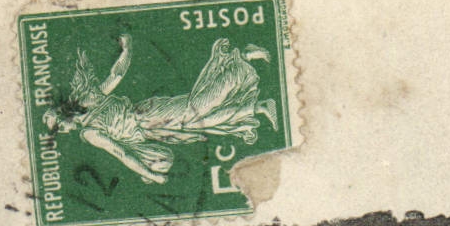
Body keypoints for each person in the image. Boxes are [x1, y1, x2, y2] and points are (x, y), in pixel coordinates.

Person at [43, 34, 279, 185]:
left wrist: (128, 50)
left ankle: (243, 57)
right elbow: (126, 149)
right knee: (206, 120)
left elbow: (121, 153)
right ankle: (258, 108)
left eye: (60, 126)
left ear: (65, 114)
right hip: (152, 130)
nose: (63, 130)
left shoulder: (90, 126)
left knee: (197, 108)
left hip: (149, 116)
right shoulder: (89, 114)